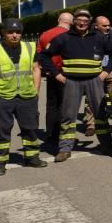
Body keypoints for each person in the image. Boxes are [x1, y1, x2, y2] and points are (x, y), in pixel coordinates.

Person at [37, 8, 112, 161]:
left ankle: (106, 145)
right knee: (68, 115)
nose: (82, 23)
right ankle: (65, 149)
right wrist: (56, 74)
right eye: (79, 20)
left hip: (94, 80)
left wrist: (106, 72)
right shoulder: (63, 38)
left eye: (85, 21)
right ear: (74, 22)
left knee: (100, 114)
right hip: (71, 81)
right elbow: (44, 56)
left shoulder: (99, 37)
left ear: (89, 22)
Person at [0, 18, 44, 175]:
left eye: (18, 32)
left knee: (30, 129)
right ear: (3, 33)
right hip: (2, 97)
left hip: (27, 96)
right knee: (2, 131)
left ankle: (32, 158)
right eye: (10, 32)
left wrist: (36, 91)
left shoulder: (30, 47)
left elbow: (36, 69)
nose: (14, 35)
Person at [36, 11, 72, 150]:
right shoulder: (69, 36)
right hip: (65, 73)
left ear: (58, 20)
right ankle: (62, 134)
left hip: (51, 73)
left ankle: (50, 134)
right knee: (65, 105)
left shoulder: (45, 34)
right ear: (70, 22)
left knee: (52, 105)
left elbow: (40, 54)